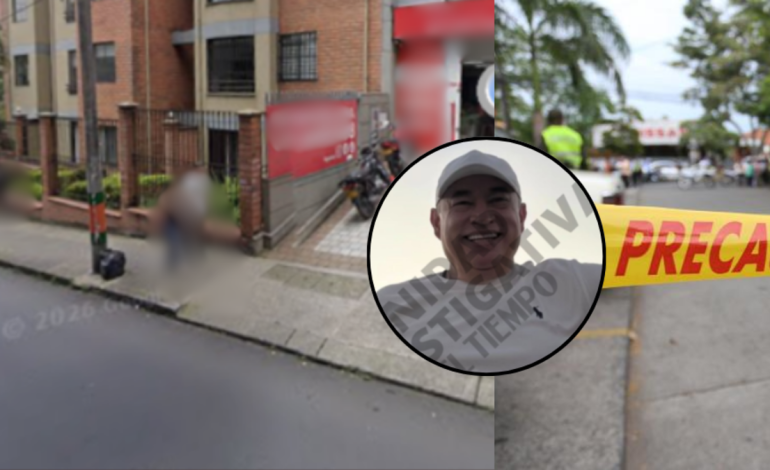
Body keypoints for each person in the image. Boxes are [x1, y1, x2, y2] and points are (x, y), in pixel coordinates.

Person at [375, 150, 603, 373]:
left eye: (498, 201)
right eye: (462, 203)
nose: (482, 217)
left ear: (521, 217)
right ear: (436, 223)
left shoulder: (568, 281)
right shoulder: (392, 305)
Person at [152, 164, 211, 271]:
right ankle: (173, 265)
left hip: (179, 221)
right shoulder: (165, 197)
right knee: (175, 243)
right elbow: (162, 212)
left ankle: (187, 257)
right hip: (170, 223)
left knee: (181, 241)